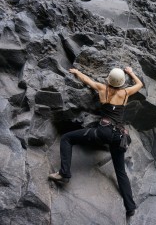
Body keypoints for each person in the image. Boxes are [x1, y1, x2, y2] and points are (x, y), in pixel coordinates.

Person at [48, 66, 143, 217]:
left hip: (103, 132)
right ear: (122, 83)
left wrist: (78, 72)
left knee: (67, 138)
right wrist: (130, 72)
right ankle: (130, 207)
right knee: (121, 172)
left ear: (109, 80)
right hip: (119, 137)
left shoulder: (102, 88)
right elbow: (139, 84)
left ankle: (64, 173)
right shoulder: (125, 93)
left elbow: (88, 81)